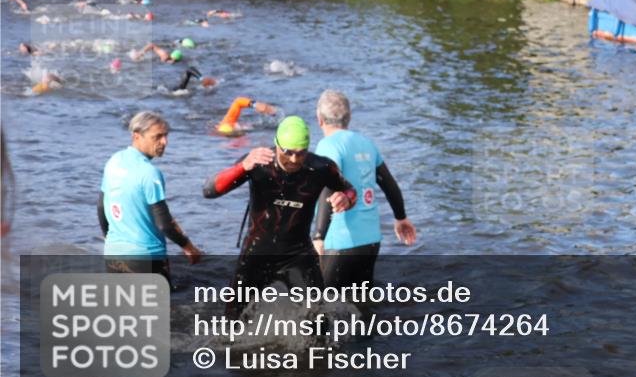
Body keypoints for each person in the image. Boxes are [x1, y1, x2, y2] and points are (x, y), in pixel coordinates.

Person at [202, 116, 356, 316]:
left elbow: (350, 190)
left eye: (300, 153)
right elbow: (209, 191)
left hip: (297, 254)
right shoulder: (258, 162)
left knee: (318, 320)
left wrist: (346, 198)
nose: (294, 159)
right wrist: (242, 167)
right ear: (277, 145)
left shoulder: (320, 168)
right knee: (232, 323)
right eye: (288, 152)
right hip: (256, 252)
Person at [312, 90, 416, 289]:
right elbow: (389, 184)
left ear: (319, 119)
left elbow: (328, 185)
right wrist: (401, 218)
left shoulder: (327, 145)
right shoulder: (366, 143)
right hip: (370, 240)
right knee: (362, 306)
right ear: (349, 118)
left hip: (339, 240)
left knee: (323, 308)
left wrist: (319, 236)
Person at [100, 111, 202, 283]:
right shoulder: (149, 173)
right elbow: (164, 224)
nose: (164, 142)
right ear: (137, 136)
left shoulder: (114, 161)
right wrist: (188, 247)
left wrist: (109, 237)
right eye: (158, 136)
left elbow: (101, 206)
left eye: (166, 136)